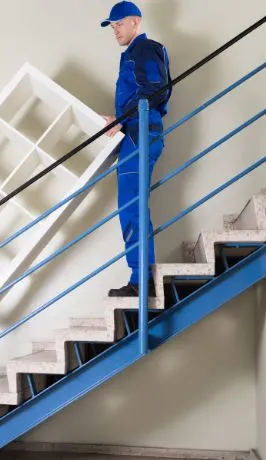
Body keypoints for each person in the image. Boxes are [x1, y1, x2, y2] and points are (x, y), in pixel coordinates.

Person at [100, 1, 172, 297]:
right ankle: (140, 277)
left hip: (140, 133)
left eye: (119, 24)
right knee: (131, 207)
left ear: (135, 22)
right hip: (134, 133)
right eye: (112, 26)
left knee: (132, 207)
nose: (115, 30)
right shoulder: (131, 54)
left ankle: (141, 281)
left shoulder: (144, 49)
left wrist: (123, 118)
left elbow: (155, 90)